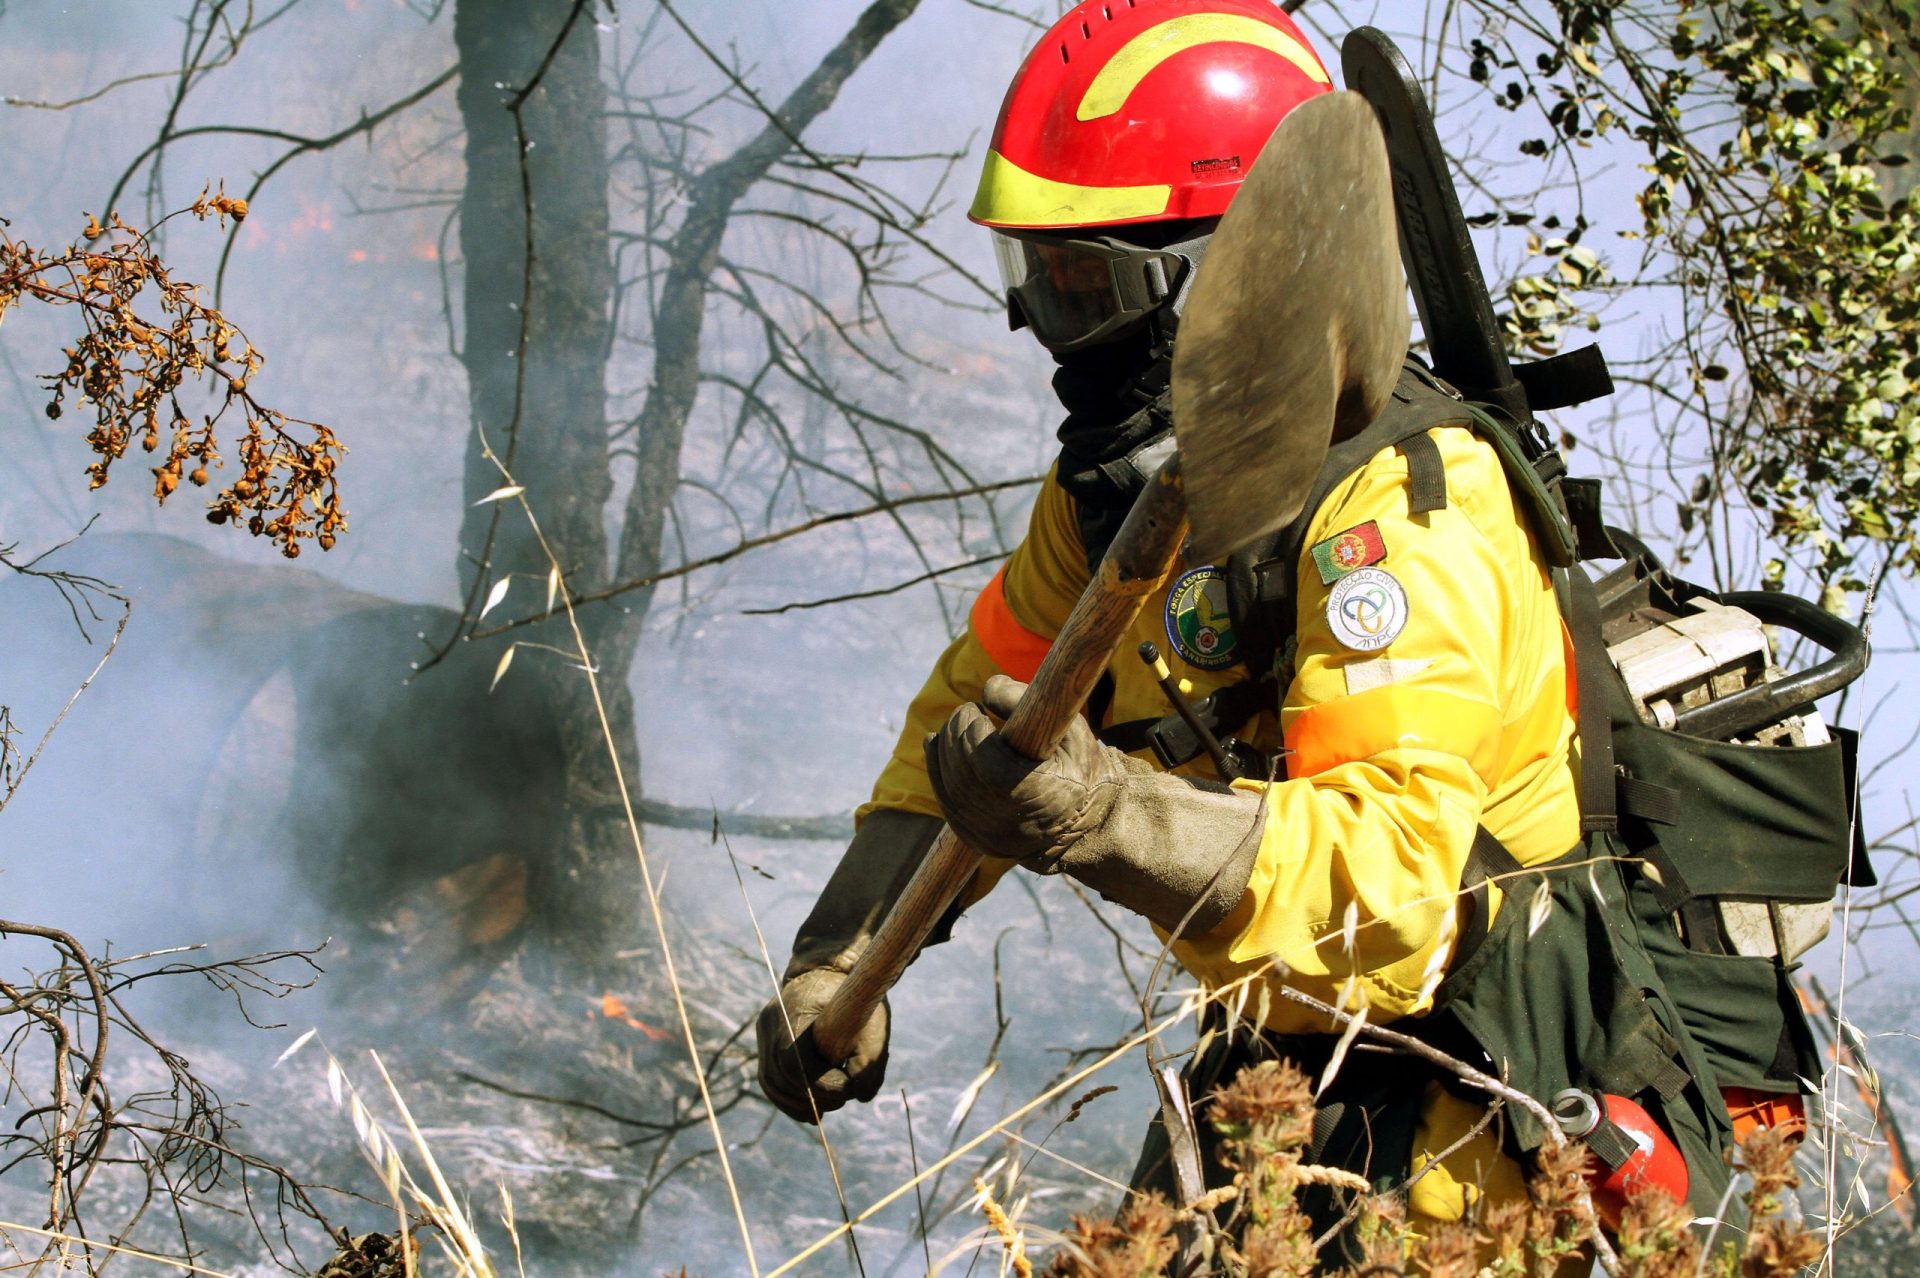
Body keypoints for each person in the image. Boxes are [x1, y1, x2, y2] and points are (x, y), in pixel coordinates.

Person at [759, 0, 1591, 1236]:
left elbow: (1392, 894)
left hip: (1476, 1103)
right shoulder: (1107, 500)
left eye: (1083, 280)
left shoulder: (1405, 503)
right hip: (1264, 1055)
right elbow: (974, 716)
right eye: (1033, 278)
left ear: (1220, 276)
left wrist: (1109, 814)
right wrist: (841, 954)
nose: (1047, 324)